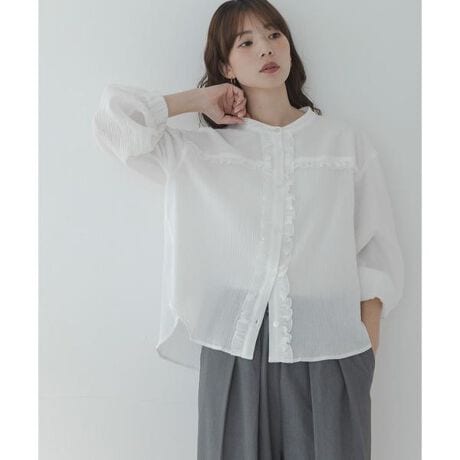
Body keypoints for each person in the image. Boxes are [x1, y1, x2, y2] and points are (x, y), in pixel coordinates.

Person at [92, 1, 405, 458]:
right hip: (235, 350)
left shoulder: (343, 143)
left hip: (331, 347)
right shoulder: (203, 151)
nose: (266, 49)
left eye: (275, 35)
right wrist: (199, 99)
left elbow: (374, 255)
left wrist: (364, 354)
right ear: (225, 66)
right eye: (246, 42)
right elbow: (115, 123)